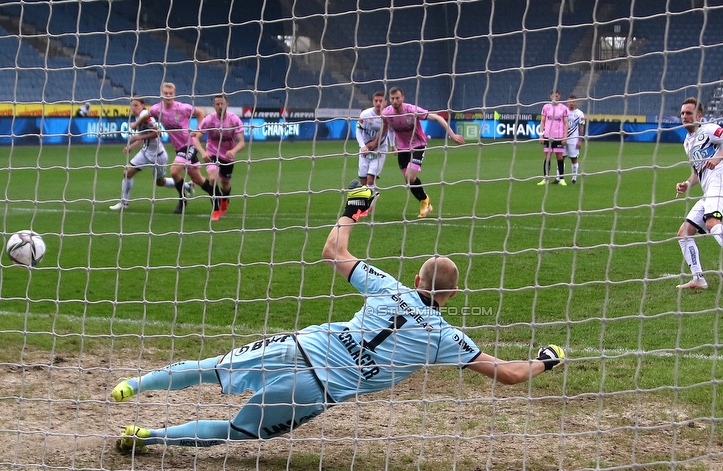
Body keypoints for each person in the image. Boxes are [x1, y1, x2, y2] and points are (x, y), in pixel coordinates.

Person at [111, 187, 565, 454]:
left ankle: (135, 383)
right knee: (235, 431)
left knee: (211, 367)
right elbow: (507, 374)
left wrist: (351, 210)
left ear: (415, 277)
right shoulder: (446, 338)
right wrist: (547, 360)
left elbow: (334, 252)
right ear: (452, 294)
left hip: (302, 345)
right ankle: (147, 436)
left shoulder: (388, 287)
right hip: (318, 389)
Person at [674, 97, 723, 290]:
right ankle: (698, 278)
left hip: (721, 181)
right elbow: (698, 171)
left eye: (688, 113)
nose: (684, 116)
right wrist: (686, 184)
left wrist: (719, 156)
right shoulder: (687, 142)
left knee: (712, 222)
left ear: (699, 116)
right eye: (682, 113)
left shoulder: (708, 130)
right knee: (683, 233)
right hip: (709, 189)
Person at [378, 86, 464, 219]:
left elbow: (437, 118)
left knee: (410, 177)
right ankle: (425, 203)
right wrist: (391, 145)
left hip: (418, 145)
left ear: (403, 98)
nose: (394, 101)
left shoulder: (412, 110)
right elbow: (387, 127)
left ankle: (424, 200)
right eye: (392, 98)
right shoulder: (387, 113)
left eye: (397, 98)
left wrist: (452, 135)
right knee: (408, 180)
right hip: (402, 148)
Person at [151, 82, 215, 215]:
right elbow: (147, 115)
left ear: (174, 95)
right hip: (178, 148)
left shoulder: (182, 107)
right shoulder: (157, 109)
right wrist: (143, 124)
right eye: (165, 93)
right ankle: (217, 195)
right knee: (197, 179)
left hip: (189, 145)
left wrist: (198, 130)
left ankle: (182, 201)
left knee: (174, 171)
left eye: (170, 94)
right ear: (161, 94)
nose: (168, 96)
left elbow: (200, 113)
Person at [109, 98, 173, 211]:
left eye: (136, 105)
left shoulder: (146, 117)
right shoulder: (138, 118)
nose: (133, 108)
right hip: (145, 152)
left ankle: (185, 185)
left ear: (143, 105)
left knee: (160, 182)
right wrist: (131, 146)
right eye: (132, 105)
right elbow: (143, 137)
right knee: (127, 173)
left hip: (157, 156)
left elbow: (158, 133)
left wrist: (139, 137)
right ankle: (124, 202)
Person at [192, 94, 245, 221]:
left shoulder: (234, 120)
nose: (220, 106)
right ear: (214, 106)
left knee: (225, 185)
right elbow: (196, 140)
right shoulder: (208, 120)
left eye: (222, 104)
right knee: (212, 178)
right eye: (217, 104)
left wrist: (233, 150)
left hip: (227, 156)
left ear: (227, 104)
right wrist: (203, 153)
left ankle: (225, 199)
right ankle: (215, 210)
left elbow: (242, 142)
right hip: (212, 154)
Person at [355, 91, 393, 189]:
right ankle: (371, 197)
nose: (378, 103)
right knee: (363, 181)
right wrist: (363, 146)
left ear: (385, 102)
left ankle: (371, 204)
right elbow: (358, 131)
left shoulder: (389, 115)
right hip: (365, 149)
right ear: (373, 102)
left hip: (380, 150)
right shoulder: (365, 114)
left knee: (370, 179)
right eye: (376, 101)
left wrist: (392, 145)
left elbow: (391, 131)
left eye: (381, 101)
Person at [537, 90, 569, 186]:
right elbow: (542, 121)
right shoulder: (546, 107)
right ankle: (545, 178)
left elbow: (566, 123)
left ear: (559, 96)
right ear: (550, 96)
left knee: (559, 157)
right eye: (553, 95)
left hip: (559, 136)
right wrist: (541, 135)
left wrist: (565, 137)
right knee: (547, 157)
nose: (555, 97)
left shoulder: (563, 108)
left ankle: (561, 179)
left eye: (557, 95)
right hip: (547, 135)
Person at [565, 95, 586, 184]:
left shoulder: (579, 113)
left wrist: (580, 140)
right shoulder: (564, 111)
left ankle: (574, 178)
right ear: (567, 102)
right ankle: (559, 178)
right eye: (570, 102)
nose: (571, 103)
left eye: (573, 102)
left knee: (573, 158)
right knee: (560, 158)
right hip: (563, 138)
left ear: (576, 102)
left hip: (573, 139)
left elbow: (581, 127)